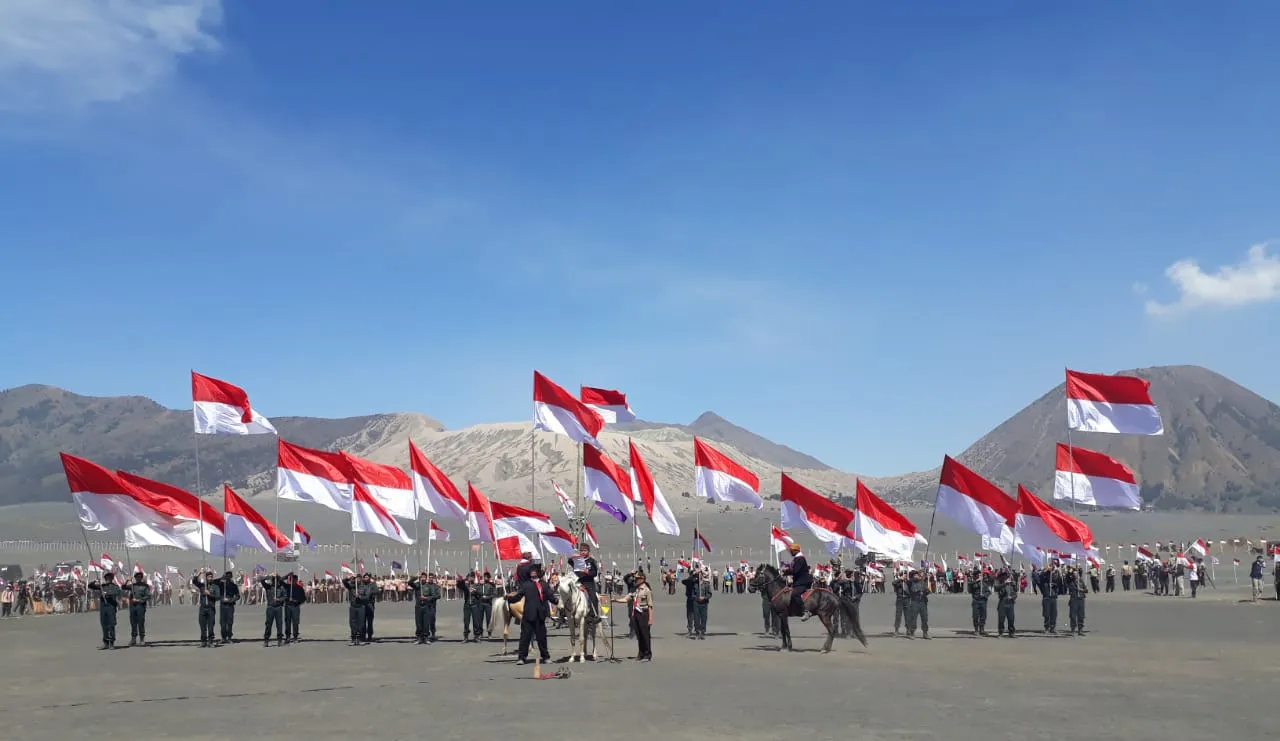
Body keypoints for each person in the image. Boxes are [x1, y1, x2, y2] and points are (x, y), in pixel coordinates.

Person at [505, 563, 557, 665]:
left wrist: (557, 601)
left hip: (540, 615)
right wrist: (508, 598)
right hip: (528, 615)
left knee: (542, 638)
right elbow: (518, 596)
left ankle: (545, 657)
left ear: (538, 572)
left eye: (534, 571)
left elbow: (550, 596)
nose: (532, 572)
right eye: (531, 571)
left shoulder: (544, 585)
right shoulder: (526, 585)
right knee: (525, 637)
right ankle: (522, 658)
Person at [613, 569, 653, 661]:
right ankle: (641, 653)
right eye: (635, 578)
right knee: (639, 634)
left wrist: (651, 618)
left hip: (644, 613)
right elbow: (626, 599)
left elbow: (650, 606)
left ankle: (648, 654)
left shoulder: (647, 590)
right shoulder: (636, 590)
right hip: (636, 613)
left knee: (645, 634)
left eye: (637, 578)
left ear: (642, 579)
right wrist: (616, 600)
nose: (635, 580)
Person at [87, 572, 122, 649]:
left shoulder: (115, 586)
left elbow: (118, 592)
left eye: (109, 578)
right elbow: (90, 586)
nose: (107, 579)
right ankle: (105, 642)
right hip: (103, 607)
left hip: (111, 606)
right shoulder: (102, 586)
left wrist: (108, 594)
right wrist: (95, 581)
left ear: (112, 579)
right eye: (106, 578)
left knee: (111, 624)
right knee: (104, 624)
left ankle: (111, 642)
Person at [408, 571, 441, 643]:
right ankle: (419, 638)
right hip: (418, 606)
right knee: (418, 623)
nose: (423, 578)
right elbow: (409, 583)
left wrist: (427, 598)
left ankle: (426, 637)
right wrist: (415, 577)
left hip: (427, 606)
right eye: (422, 577)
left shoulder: (429, 586)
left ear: (426, 578)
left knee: (426, 623)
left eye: (424, 577)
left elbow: (433, 596)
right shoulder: (417, 585)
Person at [191, 569, 221, 647]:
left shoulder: (215, 587)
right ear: (206, 577)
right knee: (202, 626)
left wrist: (209, 594)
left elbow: (218, 597)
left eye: (211, 577)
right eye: (208, 576)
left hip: (211, 608)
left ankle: (211, 641)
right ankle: (203, 641)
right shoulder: (202, 586)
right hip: (203, 608)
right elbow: (194, 581)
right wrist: (200, 573)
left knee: (210, 626)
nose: (210, 578)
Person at [259, 572, 288, 647]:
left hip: (278, 608)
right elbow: (261, 580)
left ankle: (279, 640)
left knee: (279, 624)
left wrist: (279, 599)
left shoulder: (281, 588)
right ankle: (266, 640)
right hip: (270, 608)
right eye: (274, 579)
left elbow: (285, 597)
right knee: (268, 624)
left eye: (276, 579)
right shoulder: (268, 587)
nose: (275, 581)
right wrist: (269, 575)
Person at [783, 544, 811, 618]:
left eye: (792, 551)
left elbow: (796, 571)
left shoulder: (800, 559)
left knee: (795, 594)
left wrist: (786, 571)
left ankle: (806, 611)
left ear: (796, 551)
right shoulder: (796, 559)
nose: (790, 552)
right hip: (798, 582)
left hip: (803, 582)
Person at [573, 544, 601, 617]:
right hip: (578, 582)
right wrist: (572, 556)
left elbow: (594, 573)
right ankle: (564, 614)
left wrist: (587, 572)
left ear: (588, 551)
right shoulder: (576, 560)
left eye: (585, 550)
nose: (583, 552)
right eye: (581, 550)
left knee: (593, 598)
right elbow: (569, 561)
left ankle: (594, 615)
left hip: (588, 582)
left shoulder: (591, 561)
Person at [127, 571, 151, 647]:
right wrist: (127, 580)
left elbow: (148, 596)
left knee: (141, 622)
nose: (138, 578)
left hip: (140, 606)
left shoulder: (145, 586)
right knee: (133, 623)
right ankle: (133, 639)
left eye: (140, 577)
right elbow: (123, 587)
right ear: (135, 578)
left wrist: (139, 600)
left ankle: (142, 639)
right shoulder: (132, 585)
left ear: (141, 578)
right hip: (133, 606)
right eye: (137, 577)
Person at [904, 568, 929, 639]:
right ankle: (912, 633)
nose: (916, 576)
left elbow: (927, 590)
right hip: (914, 602)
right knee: (913, 618)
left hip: (923, 602)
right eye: (915, 575)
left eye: (917, 575)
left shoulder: (922, 582)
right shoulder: (911, 582)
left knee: (924, 618)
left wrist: (924, 592)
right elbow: (907, 585)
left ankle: (925, 633)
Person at [283, 573, 307, 643]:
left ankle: (295, 637)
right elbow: (280, 581)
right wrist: (288, 575)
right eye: (292, 579)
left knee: (295, 622)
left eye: (294, 580)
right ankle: (287, 637)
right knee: (287, 622)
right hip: (288, 606)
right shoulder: (287, 587)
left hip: (295, 607)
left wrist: (296, 601)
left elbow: (303, 598)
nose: (293, 581)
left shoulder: (300, 588)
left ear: (296, 580)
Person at [217, 570, 240, 644]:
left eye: (229, 576)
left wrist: (231, 600)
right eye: (227, 576)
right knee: (222, 622)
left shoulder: (234, 586)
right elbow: (214, 582)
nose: (228, 577)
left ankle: (229, 637)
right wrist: (221, 578)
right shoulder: (221, 585)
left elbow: (238, 596)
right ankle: (223, 637)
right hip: (223, 605)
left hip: (230, 605)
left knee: (230, 622)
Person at [967, 567, 991, 636]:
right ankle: (976, 630)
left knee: (983, 616)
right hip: (976, 601)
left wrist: (984, 595)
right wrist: (976, 581)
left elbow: (988, 592)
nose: (978, 576)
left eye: (979, 575)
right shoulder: (972, 583)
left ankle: (982, 629)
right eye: (976, 575)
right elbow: (969, 590)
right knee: (975, 616)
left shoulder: (984, 583)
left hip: (983, 601)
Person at [994, 569, 1018, 637]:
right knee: (1001, 618)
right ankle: (1001, 632)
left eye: (1005, 575)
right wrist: (1005, 583)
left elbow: (1015, 592)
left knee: (1011, 618)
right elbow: (996, 588)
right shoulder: (999, 582)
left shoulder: (1011, 583)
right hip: (1002, 601)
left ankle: (1011, 632)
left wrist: (1012, 597)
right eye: (1003, 575)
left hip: (1010, 602)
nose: (1004, 577)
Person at [1066, 566, 1088, 636]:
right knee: (1073, 615)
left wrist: (1081, 590)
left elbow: (1086, 590)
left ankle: (1080, 630)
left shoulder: (1081, 580)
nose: (1075, 575)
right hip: (1073, 599)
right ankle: (1072, 629)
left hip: (1081, 599)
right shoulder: (1070, 581)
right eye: (1074, 574)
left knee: (1081, 615)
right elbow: (1067, 577)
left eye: (1076, 573)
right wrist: (1070, 572)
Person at [692, 568, 713, 639]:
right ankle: (697, 632)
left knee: (704, 618)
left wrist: (704, 598)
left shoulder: (706, 584)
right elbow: (692, 594)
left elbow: (710, 594)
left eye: (701, 575)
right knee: (696, 618)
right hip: (696, 603)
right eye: (698, 575)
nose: (699, 577)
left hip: (704, 604)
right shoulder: (694, 584)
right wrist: (697, 598)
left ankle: (703, 632)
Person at [477, 571, 498, 637]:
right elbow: (477, 592)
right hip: (481, 603)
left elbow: (494, 594)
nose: (485, 578)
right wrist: (480, 587)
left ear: (488, 578)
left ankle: (489, 633)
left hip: (488, 604)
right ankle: (480, 633)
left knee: (489, 619)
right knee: (480, 619)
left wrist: (487, 597)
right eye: (484, 577)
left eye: (486, 577)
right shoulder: (480, 584)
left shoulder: (491, 585)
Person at [891, 570, 907, 635]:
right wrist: (900, 579)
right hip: (900, 599)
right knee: (898, 615)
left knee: (907, 616)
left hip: (907, 599)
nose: (905, 576)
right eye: (904, 575)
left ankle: (908, 630)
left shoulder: (907, 582)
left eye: (906, 575)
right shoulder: (898, 582)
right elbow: (893, 583)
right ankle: (896, 630)